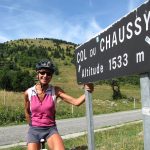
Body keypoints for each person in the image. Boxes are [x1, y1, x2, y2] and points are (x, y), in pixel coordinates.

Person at [24, 59, 94, 150]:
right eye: (42, 72)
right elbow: (27, 112)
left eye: (49, 74)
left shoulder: (55, 90)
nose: (45, 76)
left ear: (51, 76)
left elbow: (76, 102)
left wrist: (89, 90)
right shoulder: (28, 93)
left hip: (50, 129)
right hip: (34, 130)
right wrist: (32, 126)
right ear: (37, 73)